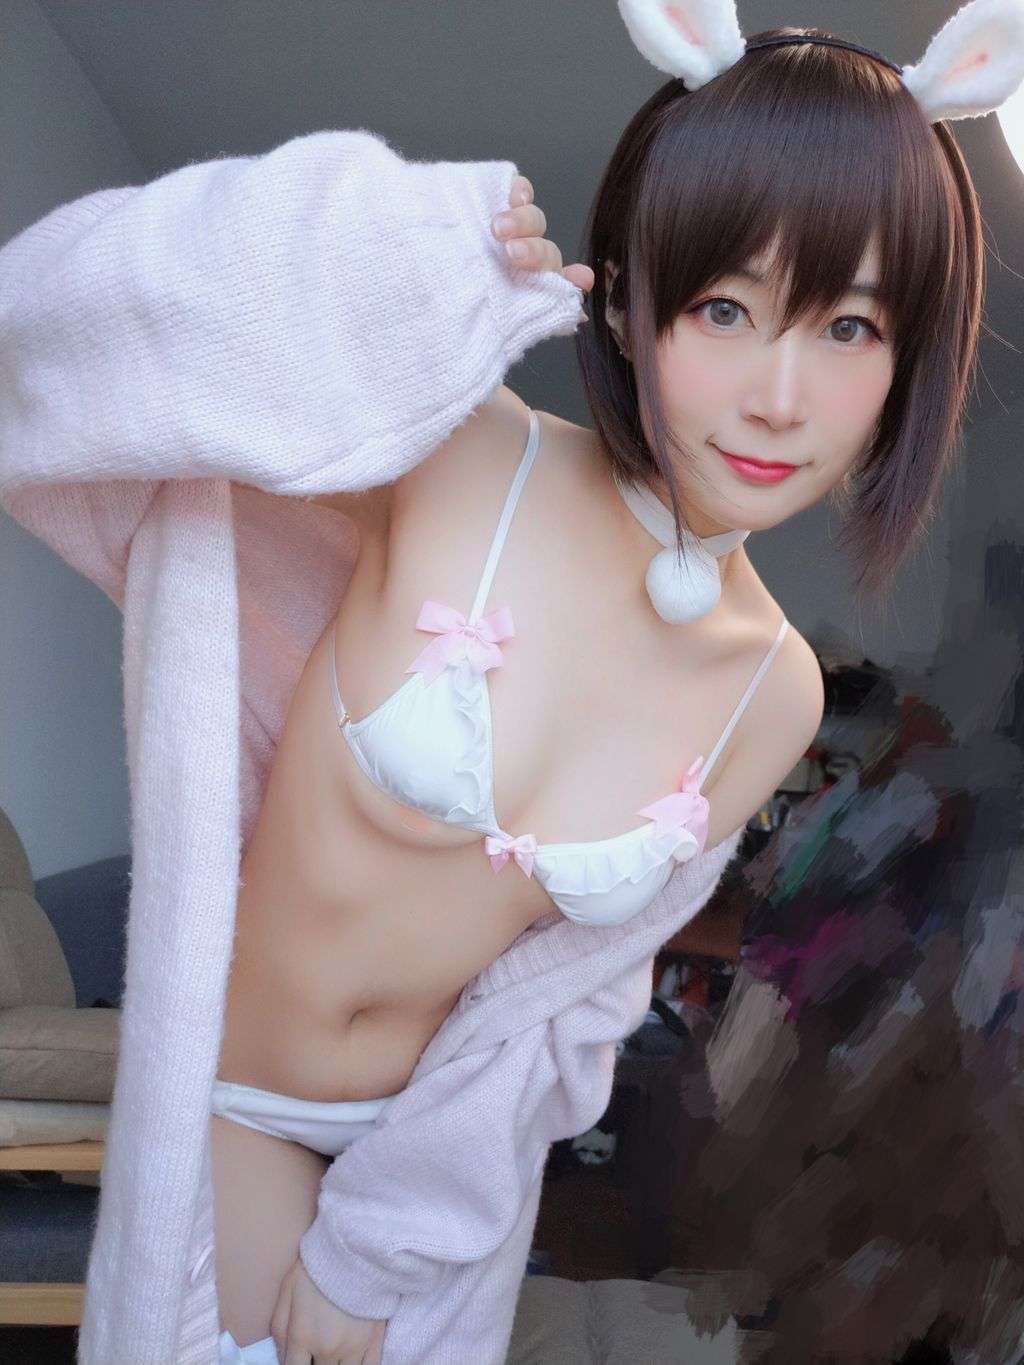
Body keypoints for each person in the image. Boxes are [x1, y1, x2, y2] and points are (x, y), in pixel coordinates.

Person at [1, 2, 1019, 1362]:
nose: (780, 397)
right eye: (726, 308)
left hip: (434, 1187)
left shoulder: (775, 692)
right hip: (236, 1105)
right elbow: (67, 323)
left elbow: (561, 1005)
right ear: (634, 297)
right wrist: (395, 245)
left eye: (849, 327)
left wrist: (382, 1245)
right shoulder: (465, 454)